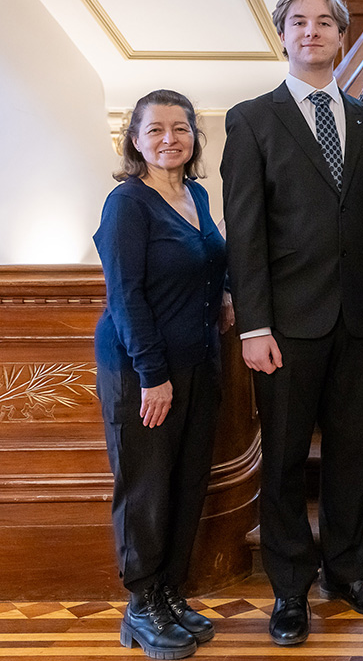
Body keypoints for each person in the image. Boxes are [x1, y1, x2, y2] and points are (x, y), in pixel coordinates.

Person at [221, 0, 363, 646]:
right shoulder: (250, 120)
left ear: (340, 35)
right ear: (283, 36)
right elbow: (244, 232)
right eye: (298, 22)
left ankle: (348, 572)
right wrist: (253, 325)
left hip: (360, 322)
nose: (311, 32)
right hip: (284, 329)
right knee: (281, 466)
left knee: (351, 456)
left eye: (323, 22)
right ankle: (290, 590)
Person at [94, 89, 234, 660]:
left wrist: (223, 292)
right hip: (142, 369)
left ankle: (170, 592)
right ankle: (141, 603)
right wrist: (153, 375)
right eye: (155, 130)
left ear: (195, 138)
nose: (169, 139)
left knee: (185, 481)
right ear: (134, 139)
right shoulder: (127, 202)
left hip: (199, 361)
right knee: (147, 486)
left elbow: (207, 263)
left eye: (180, 128)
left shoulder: (197, 194)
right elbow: (125, 297)